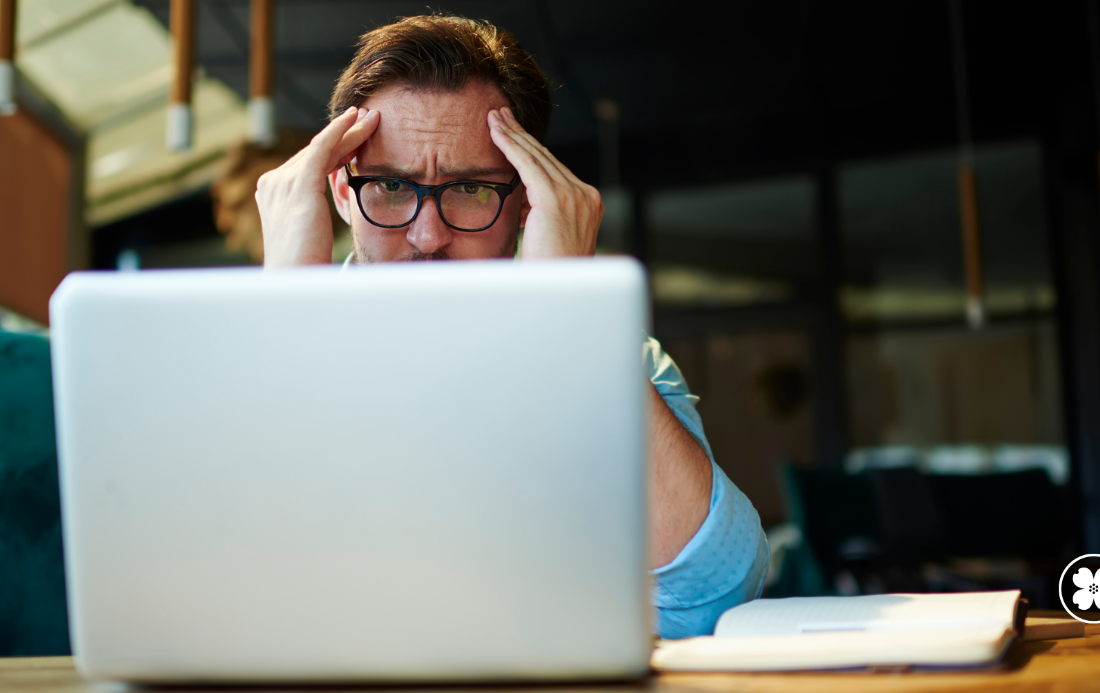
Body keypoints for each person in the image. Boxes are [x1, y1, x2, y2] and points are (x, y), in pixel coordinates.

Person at [252, 14, 767, 639]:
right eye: (389, 185)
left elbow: (712, 596)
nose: (427, 234)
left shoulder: (604, 356)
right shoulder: (242, 348)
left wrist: (571, 320)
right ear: (337, 192)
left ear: (527, 201)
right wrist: (284, 313)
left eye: (469, 188)